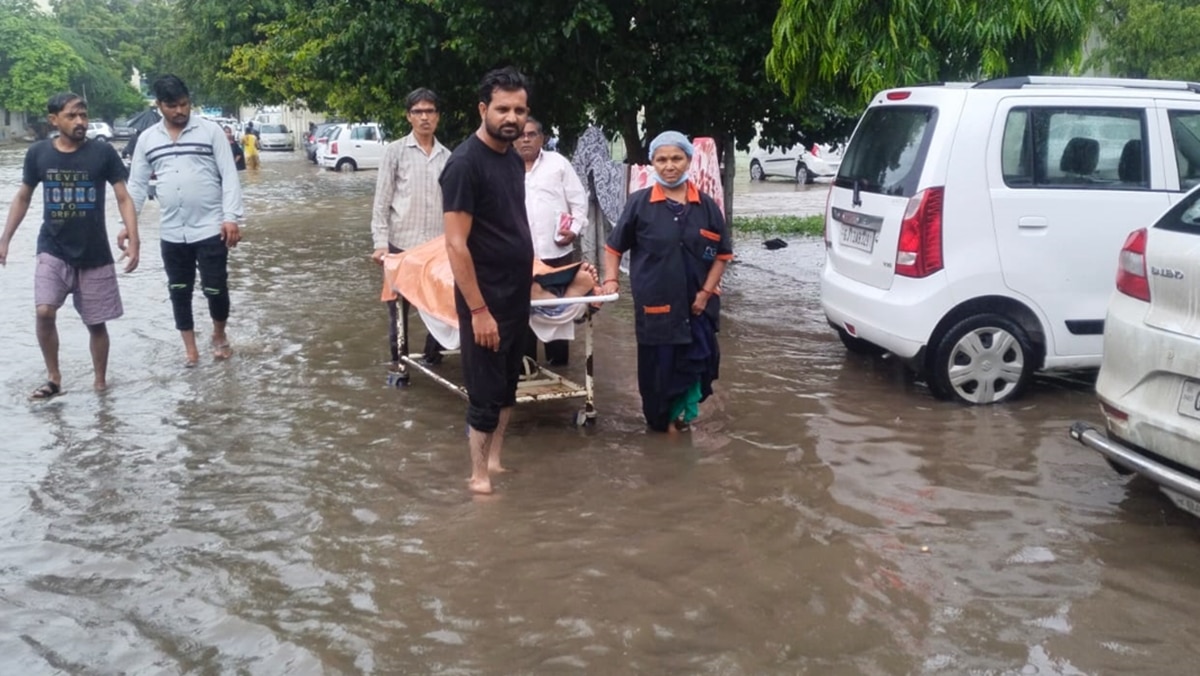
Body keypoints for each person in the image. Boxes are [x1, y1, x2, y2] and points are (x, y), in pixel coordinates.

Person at [0, 92, 141, 399]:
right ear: (54, 120)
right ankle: (54, 378)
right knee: (44, 311)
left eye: (84, 115)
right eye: (72, 116)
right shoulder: (38, 154)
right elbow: (23, 196)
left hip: (95, 252)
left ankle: (100, 384)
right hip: (53, 247)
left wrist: (134, 237)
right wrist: (5, 239)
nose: (80, 122)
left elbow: (123, 196)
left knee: (95, 323)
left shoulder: (102, 153)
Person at [601, 131, 733, 432]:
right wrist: (611, 280)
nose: (669, 165)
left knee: (696, 366)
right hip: (656, 309)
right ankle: (661, 429)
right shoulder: (640, 203)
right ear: (652, 163)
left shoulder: (707, 206)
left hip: (699, 309)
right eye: (661, 159)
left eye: (676, 158)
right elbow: (613, 247)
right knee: (657, 375)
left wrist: (705, 293)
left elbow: (722, 255)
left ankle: (678, 428)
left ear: (688, 160)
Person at [441, 66, 533, 495]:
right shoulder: (464, 164)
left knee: (508, 388)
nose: (511, 117)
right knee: (483, 393)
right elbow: (456, 245)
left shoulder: (513, 157)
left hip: (516, 297)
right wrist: (478, 310)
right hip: (485, 301)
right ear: (483, 109)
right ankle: (477, 480)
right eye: (502, 109)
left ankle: (495, 463)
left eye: (518, 109)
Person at [128, 74, 244, 367]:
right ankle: (190, 350)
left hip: (211, 226)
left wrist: (230, 217)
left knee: (215, 288)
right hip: (171, 231)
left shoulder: (211, 131)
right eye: (172, 106)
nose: (180, 111)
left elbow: (229, 175)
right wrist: (126, 227)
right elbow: (137, 187)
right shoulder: (147, 139)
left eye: (184, 104)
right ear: (159, 106)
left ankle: (219, 334)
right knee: (178, 290)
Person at [370, 88, 451, 374]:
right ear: (409, 116)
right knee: (398, 311)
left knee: (441, 307)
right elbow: (381, 203)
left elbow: (452, 207)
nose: (424, 117)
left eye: (430, 111)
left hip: (436, 249)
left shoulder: (447, 157)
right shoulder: (395, 152)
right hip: (400, 245)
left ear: (438, 117)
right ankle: (399, 364)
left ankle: (432, 356)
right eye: (418, 112)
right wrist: (381, 244)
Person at [513, 116, 589, 366]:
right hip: (518, 256)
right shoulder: (503, 166)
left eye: (532, 134)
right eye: (520, 134)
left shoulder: (557, 164)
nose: (526, 139)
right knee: (521, 314)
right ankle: (527, 367)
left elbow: (579, 200)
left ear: (542, 138)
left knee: (559, 309)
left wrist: (575, 228)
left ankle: (559, 366)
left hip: (556, 255)